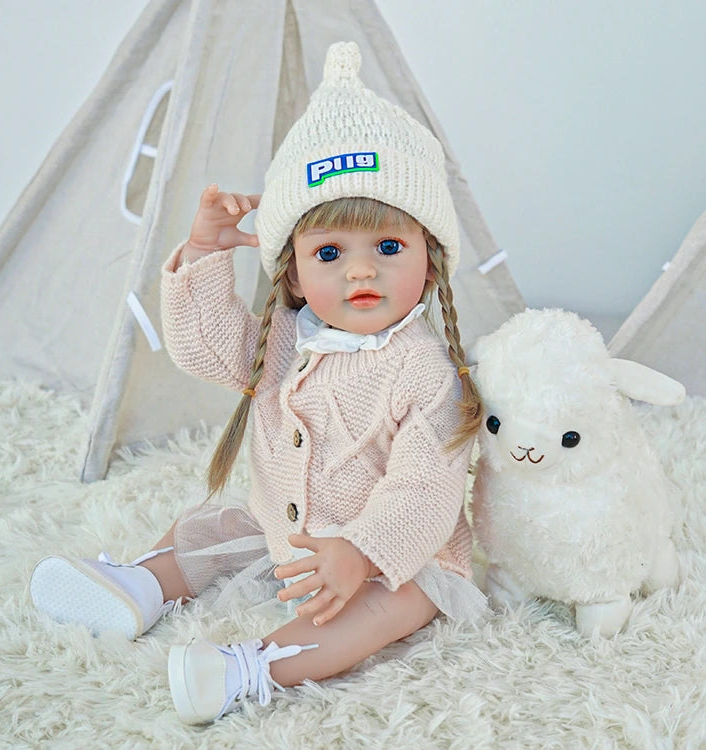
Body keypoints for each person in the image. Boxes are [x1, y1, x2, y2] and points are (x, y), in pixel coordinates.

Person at [30, 41, 486, 724]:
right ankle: (138, 587)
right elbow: (206, 348)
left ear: (429, 260)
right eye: (331, 253)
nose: (362, 273)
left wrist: (361, 553)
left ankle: (250, 667)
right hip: (289, 527)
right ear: (295, 275)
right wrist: (206, 253)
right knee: (212, 529)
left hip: (400, 552)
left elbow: (424, 490)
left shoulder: (422, 369)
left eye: (389, 248)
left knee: (390, 608)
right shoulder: (285, 341)